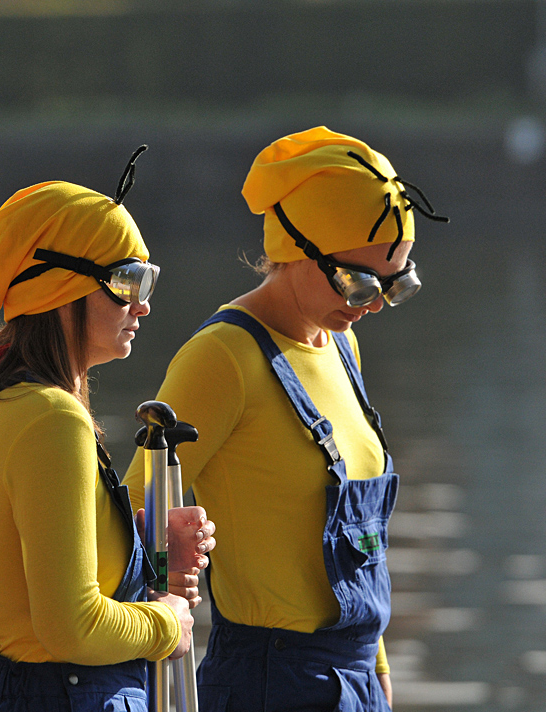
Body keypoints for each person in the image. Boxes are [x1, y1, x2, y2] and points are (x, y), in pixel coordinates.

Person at [123, 127, 449, 711]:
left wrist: (376, 664)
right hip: (269, 682)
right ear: (298, 250)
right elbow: (128, 515)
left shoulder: (340, 345)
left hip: (356, 676)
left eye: (395, 284)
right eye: (359, 282)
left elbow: (361, 548)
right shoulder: (223, 357)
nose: (372, 305)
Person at [0, 149, 216, 711]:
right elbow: (71, 627)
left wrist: (141, 545)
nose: (144, 305)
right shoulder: (50, 418)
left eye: (148, 280)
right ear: (59, 288)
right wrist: (168, 622)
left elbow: (29, 566)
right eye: (128, 281)